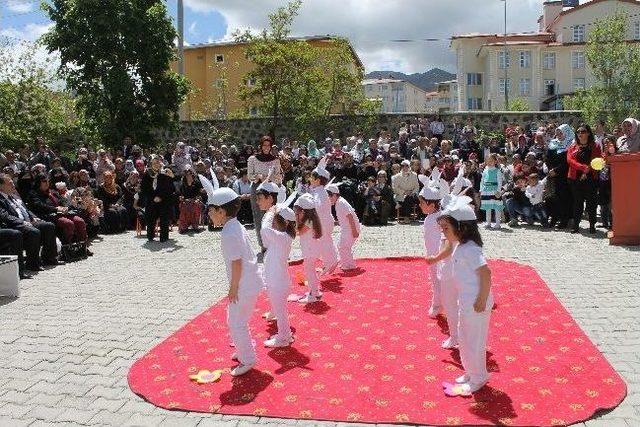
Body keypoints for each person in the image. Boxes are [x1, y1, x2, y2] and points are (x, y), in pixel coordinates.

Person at [438, 195, 493, 394]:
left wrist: (481, 299)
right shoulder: (461, 247)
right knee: (464, 336)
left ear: (462, 228)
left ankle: (479, 376)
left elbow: (486, 274)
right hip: (467, 300)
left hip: (476, 302)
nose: (442, 232)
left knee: (474, 339)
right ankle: (471, 371)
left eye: (446, 228)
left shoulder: (471, 249)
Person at [205, 186, 262, 376]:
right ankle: (243, 348)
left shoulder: (228, 233)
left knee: (237, 323)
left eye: (211, 211)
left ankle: (248, 359)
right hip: (249, 282)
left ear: (222, 211)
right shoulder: (235, 225)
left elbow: (237, 263)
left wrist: (233, 288)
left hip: (243, 285)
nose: (210, 215)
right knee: (236, 319)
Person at [255, 183, 296, 348]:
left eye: (276, 221)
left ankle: (284, 338)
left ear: (282, 223)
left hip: (278, 282)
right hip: (278, 280)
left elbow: (264, 230)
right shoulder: (284, 237)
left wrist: (271, 212)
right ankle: (285, 335)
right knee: (280, 311)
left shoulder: (281, 237)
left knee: (281, 313)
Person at [0, 174, 62, 270]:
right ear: (1, 186)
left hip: (27, 221)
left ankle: (49, 258)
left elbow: (26, 209)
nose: (13, 185)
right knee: (34, 232)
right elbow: (5, 216)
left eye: (13, 182)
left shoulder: (14, 196)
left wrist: (33, 217)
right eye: (10, 183)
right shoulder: (1, 199)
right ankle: (32, 264)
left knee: (49, 226)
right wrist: (22, 222)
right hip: (14, 224)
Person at [29, 174, 89, 248]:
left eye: (48, 180)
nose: (47, 183)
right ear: (38, 182)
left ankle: (84, 247)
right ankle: (68, 247)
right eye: (44, 181)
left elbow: (62, 201)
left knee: (79, 221)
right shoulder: (34, 193)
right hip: (49, 215)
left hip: (62, 213)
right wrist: (56, 209)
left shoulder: (52, 192)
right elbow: (40, 205)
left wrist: (66, 207)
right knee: (68, 224)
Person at [247, 136, 281, 254]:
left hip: (271, 190)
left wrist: (270, 177)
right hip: (257, 189)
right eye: (264, 145)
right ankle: (263, 244)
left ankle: (274, 242)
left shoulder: (275, 160)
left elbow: (278, 177)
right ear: (261, 146)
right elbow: (250, 175)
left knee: (272, 216)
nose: (266, 148)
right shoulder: (252, 159)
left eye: (268, 145)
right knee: (259, 217)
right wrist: (259, 177)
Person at [567, 124, 602, 234]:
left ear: (588, 133)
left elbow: (597, 159)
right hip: (575, 178)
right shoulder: (573, 146)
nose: (580, 134)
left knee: (591, 202)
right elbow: (570, 160)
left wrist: (588, 170)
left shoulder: (595, 146)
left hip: (591, 178)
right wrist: (583, 168)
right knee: (577, 202)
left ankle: (592, 225)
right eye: (578, 132)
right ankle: (576, 225)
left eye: (582, 131)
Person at [418, 180, 445, 319]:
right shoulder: (431, 217)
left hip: (438, 255)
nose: (419, 205)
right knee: (435, 279)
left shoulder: (439, 218)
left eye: (422, 203)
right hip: (433, 254)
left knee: (438, 280)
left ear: (432, 205)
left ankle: (437, 306)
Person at [309, 158, 339, 275]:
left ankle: (328, 263)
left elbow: (317, 206)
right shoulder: (320, 190)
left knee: (323, 243)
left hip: (322, 222)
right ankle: (332, 260)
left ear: (317, 180)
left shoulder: (318, 192)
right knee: (327, 241)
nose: (310, 180)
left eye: (312, 177)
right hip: (327, 220)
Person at [293, 194, 323, 304]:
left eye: (297, 212)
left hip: (310, 250)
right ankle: (315, 291)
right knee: (311, 271)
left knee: (309, 272)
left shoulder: (308, 221)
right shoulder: (312, 219)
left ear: (303, 212)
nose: (296, 214)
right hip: (312, 249)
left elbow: (298, 232)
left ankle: (312, 294)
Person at [326, 183, 360, 271]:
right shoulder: (339, 202)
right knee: (342, 246)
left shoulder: (341, 203)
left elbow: (350, 217)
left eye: (329, 196)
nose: (328, 199)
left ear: (334, 195)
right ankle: (346, 263)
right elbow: (344, 217)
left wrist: (354, 231)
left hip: (351, 228)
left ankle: (350, 265)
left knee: (343, 246)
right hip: (347, 228)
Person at [546, 124, 574, 229]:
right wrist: (550, 169)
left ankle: (565, 220)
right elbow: (548, 158)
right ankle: (555, 217)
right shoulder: (553, 143)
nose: (558, 135)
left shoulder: (570, 144)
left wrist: (556, 170)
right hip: (553, 175)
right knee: (554, 197)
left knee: (565, 198)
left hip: (565, 174)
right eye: (557, 133)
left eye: (560, 133)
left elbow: (567, 161)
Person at [140, 156, 174, 242]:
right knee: (151, 219)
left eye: (158, 162)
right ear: (150, 164)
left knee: (164, 218)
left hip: (163, 200)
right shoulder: (146, 175)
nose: (156, 164)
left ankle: (164, 237)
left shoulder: (164, 173)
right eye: (154, 163)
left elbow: (169, 188)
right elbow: (144, 189)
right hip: (151, 200)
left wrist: (160, 197)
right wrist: (153, 198)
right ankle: (150, 236)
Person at [479, 154, 504, 229]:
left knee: (496, 207)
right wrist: (481, 189)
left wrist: (498, 191)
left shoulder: (497, 171)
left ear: (495, 162)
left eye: (491, 161)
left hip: (494, 191)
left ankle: (498, 223)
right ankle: (488, 223)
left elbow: (500, 182)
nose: (489, 162)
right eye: (488, 161)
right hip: (486, 191)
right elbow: (482, 181)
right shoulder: (485, 170)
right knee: (488, 207)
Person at [177, 166, 203, 233]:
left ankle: (195, 225)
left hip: (195, 200)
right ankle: (184, 227)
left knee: (196, 206)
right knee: (183, 207)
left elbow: (199, 193)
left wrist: (197, 198)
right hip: (185, 201)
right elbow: (180, 194)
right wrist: (181, 198)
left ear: (192, 174)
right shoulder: (182, 184)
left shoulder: (197, 182)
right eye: (187, 174)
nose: (188, 176)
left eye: (189, 174)